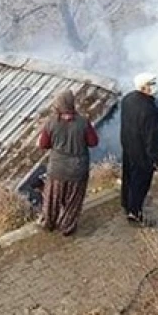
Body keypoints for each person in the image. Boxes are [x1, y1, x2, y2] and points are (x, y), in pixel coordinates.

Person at [37, 89, 99, 236]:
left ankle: (48, 223)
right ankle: (67, 226)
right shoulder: (83, 123)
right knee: (73, 201)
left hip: (57, 169)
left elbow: (43, 145)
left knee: (52, 199)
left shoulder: (51, 123)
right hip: (78, 170)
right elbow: (93, 142)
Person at [120, 73, 158, 226]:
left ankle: (126, 203)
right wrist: (155, 159)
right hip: (143, 154)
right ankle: (134, 213)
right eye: (152, 84)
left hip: (128, 147)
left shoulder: (127, 99)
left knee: (128, 178)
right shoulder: (151, 110)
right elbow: (153, 138)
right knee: (140, 183)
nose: (154, 87)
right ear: (144, 87)